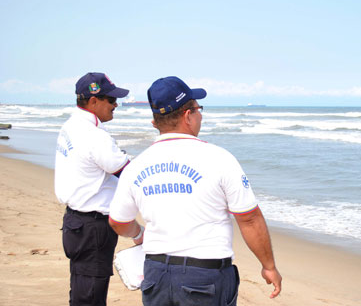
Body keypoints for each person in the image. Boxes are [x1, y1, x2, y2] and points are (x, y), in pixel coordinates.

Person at [109, 76, 282, 305]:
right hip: (205, 276)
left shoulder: (136, 166)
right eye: (198, 109)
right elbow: (248, 218)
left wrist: (140, 234)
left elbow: (118, 222)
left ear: (155, 123)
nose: (200, 115)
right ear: (188, 116)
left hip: (155, 273)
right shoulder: (219, 159)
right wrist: (268, 266)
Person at [55, 72, 132, 305]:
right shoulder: (94, 136)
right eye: (111, 99)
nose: (116, 104)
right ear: (93, 101)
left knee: (81, 290)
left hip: (76, 222)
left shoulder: (70, 126)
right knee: (90, 296)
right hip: (93, 228)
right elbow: (128, 174)